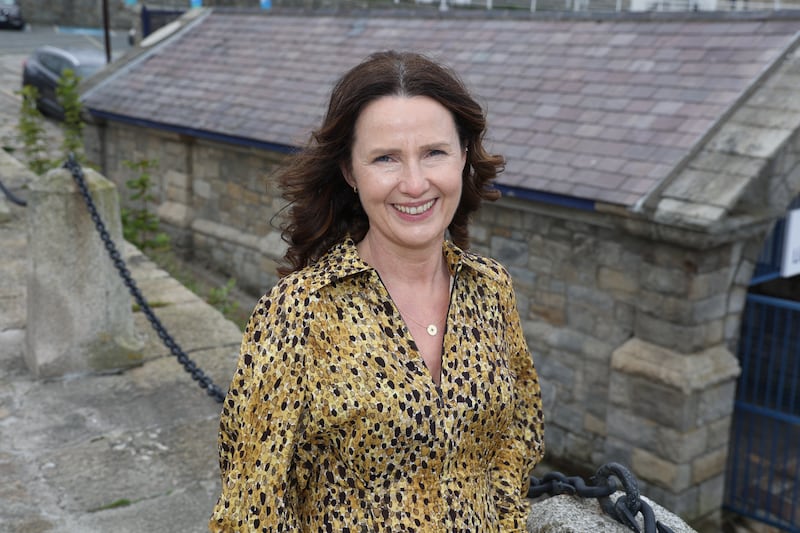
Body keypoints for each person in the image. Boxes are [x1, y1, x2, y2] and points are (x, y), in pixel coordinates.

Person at [209, 50, 545, 532]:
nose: (414, 183)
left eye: (434, 152)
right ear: (350, 171)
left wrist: (505, 520)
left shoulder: (490, 289)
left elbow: (520, 436)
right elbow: (252, 507)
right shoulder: (299, 311)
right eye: (386, 158)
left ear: (464, 156)